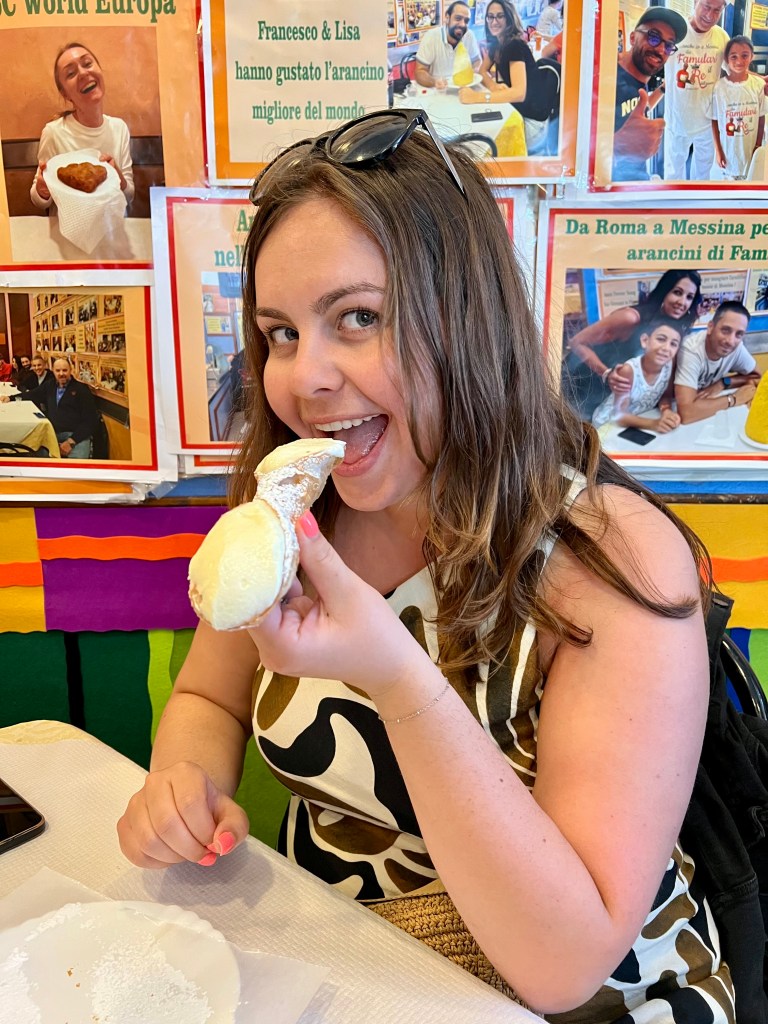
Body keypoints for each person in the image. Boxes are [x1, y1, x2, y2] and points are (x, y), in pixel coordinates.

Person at [117, 109, 734, 1022]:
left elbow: (566, 963)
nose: (305, 378)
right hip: (350, 971)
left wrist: (396, 675)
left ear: (468, 319)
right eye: (281, 333)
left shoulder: (616, 559)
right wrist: (184, 784)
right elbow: (210, 696)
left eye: (358, 318)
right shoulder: (295, 515)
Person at [562, 269, 701, 420]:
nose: (682, 302)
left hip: (617, 398)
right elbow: (576, 342)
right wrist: (606, 373)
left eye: (689, 297)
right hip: (581, 386)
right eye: (677, 292)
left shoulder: (674, 327)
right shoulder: (631, 318)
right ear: (664, 291)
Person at [30, 42, 134, 213]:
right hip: (67, 226)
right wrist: (42, 191)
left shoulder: (119, 128)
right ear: (65, 93)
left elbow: (129, 196)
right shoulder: (53, 132)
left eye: (87, 64)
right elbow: (40, 201)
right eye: (71, 73)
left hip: (110, 225)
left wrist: (118, 178)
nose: (84, 73)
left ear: (100, 70)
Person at [458, 0, 555, 153]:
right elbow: (482, 71)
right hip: (519, 111)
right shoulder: (496, 43)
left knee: (486, 145)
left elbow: (518, 93)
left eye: (499, 16)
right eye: (490, 17)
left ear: (509, 18)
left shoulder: (514, 45)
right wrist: (494, 87)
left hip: (532, 122)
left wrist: (476, 97)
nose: (494, 21)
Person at [612, 6, 688, 181]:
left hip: (635, 186)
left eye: (669, 46)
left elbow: (640, 107)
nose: (661, 50)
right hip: (609, 191)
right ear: (633, 37)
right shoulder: (608, 76)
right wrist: (617, 145)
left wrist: (662, 89)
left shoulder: (638, 78)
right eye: (654, 37)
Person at [663, 0, 729, 181]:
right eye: (706, 7)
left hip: (707, 123)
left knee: (702, 176)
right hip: (677, 121)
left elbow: (734, 69)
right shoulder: (675, 33)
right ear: (695, 2)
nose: (710, 15)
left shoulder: (721, 37)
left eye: (717, 10)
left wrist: (758, 80)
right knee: (673, 177)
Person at [675, 300, 761, 423]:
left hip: (704, 414)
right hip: (666, 413)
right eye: (725, 330)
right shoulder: (691, 350)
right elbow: (687, 413)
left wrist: (723, 383)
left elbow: (758, 377)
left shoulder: (737, 348)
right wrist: (733, 399)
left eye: (739, 334)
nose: (731, 341)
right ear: (710, 327)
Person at [591, 316, 682, 432]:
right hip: (608, 425)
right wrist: (653, 424)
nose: (666, 348)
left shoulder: (669, 364)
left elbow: (665, 395)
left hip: (638, 421)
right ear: (645, 341)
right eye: (661, 339)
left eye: (673, 344)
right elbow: (619, 416)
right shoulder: (628, 370)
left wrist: (666, 410)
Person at [10, 356, 98, 458]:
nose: (61, 373)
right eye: (58, 370)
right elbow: (32, 394)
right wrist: (11, 398)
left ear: (71, 370)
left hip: (76, 436)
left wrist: (71, 442)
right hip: (53, 433)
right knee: (32, 456)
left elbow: (90, 421)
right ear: (53, 371)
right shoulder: (50, 385)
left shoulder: (82, 389)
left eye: (65, 370)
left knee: (76, 467)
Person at [709, 35, 765, 181]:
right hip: (728, 151)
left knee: (749, 182)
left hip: (749, 150)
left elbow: (761, 118)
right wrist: (718, 150)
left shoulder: (758, 85)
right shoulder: (719, 88)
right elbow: (714, 121)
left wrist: (757, 146)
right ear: (726, 59)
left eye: (744, 55)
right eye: (733, 56)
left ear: (752, 56)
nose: (739, 61)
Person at [414, 1, 481, 88]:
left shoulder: (469, 35)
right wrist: (434, 82)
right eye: (458, 18)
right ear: (447, 17)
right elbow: (420, 72)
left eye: (466, 21)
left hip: (465, 88)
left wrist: (476, 70)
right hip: (439, 91)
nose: (462, 24)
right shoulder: (431, 36)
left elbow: (477, 61)